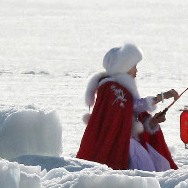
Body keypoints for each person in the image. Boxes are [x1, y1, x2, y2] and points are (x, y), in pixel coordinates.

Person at [77, 43, 180, 171]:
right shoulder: (111, 88)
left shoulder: (122, 89)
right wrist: (161, 97)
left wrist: (152, 122)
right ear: (124, 67)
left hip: (130, 141)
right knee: (146, 168)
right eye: (134, 66)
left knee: (161, 164)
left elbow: (128, 113)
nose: (136, 70)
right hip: (123, 144)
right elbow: (132, 106)